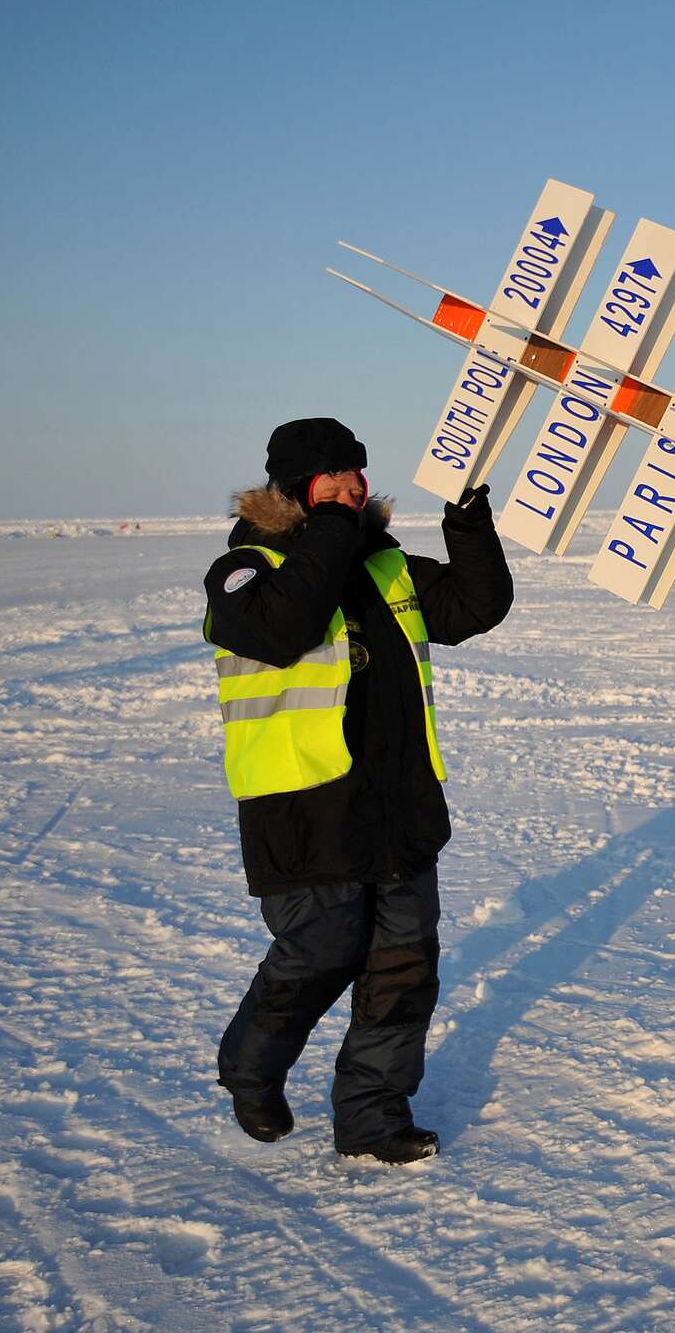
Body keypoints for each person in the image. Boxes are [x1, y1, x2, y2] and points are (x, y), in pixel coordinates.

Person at [204, 418, 513, 1163]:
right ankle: (251, 1068)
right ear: (291, 491)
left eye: (356, 476)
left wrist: (468, 523)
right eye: (330, 479)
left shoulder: (385, 565)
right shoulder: (245, 569)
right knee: (323, 950)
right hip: (304, 807)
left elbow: (475, 608)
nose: (349, 489)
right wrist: (336, 532)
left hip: (398, 803)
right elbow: (285, 629)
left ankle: (373, 1117)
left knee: (403, 969)